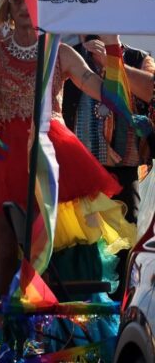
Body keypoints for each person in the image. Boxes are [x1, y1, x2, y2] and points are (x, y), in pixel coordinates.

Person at [0, 0, 137, 297]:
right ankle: (8, 329)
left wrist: (114, 46)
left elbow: (110, 97)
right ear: (8, 7)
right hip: (3, 157)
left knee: (50, 252)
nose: (24, 8)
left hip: (53, 153)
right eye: (17, 1)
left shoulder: (60, 52)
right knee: (6, 251)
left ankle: (47, 327)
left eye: (31, 0)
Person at [63, 35, 155, 223]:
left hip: (124, 170)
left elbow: (150, 92)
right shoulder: (69, 55)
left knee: (126, 232)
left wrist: (112, 60)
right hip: (80, 169)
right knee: (86, 237)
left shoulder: (139, 58)